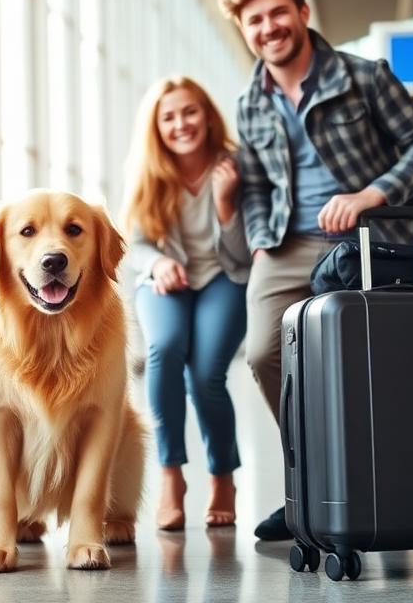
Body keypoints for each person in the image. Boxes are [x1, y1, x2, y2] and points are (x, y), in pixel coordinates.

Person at [217, 0, 413, 541]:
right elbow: (256, 187)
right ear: (245, 30)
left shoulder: (365, 77)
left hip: (374, 240)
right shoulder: (250, 103)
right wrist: (252, 232)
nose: (269, 27)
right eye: (255, 20)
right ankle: (310, 485)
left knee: (385, 365)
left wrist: (372, 194)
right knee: (266, 352)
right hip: (287, 244)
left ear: (302, 12)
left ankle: (397, 481)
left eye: (278, 12)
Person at [122, 75, 251, 531]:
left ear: (208, 115)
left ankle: (222, 477)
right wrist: (156, 263)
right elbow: (134, 244)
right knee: (164, 348)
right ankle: (171, 475)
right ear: (156, 126)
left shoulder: (236, 168)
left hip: (224, 277)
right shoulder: (149, 173)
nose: (181, 124)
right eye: (169, 116)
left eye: (189, 112)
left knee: (205, 376)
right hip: (165, 282)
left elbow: (241, 253)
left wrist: (225, 204)